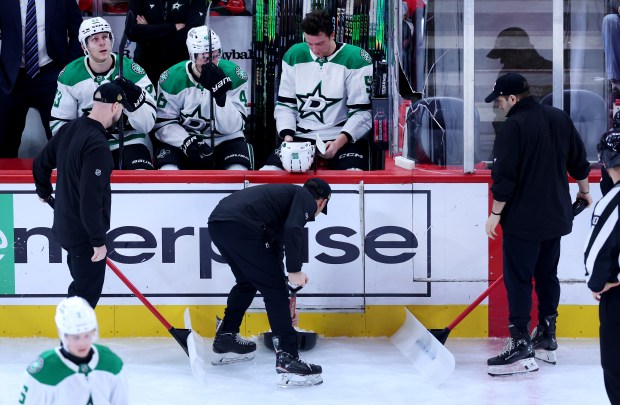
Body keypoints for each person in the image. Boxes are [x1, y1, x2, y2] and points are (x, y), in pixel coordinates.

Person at [483, 73, 592, 376]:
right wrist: (584, 191)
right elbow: (579, 160)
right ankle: (546, 334)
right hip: (556, 217)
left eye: (501, 100)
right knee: (546, 275)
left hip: (523, 221)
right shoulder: (558, 117)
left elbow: (505, 178)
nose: (500, 106)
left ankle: (520, 342)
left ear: (513, 98)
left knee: (518, 279)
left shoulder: (513, 127)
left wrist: (495, 213)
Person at [207, 178, 330, 387]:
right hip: (241, 226)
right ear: (322, 202)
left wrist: (286, 290)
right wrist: (294, 270)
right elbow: (293, 229)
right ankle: (289, 359)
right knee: (274, 291)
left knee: (247, 281)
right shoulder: (305, 198)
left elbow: (274, 252)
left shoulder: (281, 202)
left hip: (220, 223)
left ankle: (227, 336)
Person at [33, 82, 129, 309]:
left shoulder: (69, 129)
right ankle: (69, 344)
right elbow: (90, 198)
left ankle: (72, 342)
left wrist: (44, 192)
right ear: (116, 107)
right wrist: (97, 241)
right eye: (123, 109)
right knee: (83, 300)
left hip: (66, 227)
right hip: (84, 235)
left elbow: (40, 164)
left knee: (81, 291)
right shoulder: (98, 145)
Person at [261, 9, 373, 171]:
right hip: (299, 136)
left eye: (320, 43)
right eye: (309, 43)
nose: (315, 50)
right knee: (268, 173)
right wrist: (288, 139)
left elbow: (362, 113)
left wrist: (338, 143)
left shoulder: (356, 59)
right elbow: (285, 105)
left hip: (341, 137)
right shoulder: (294, 54)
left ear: (332, 35)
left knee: (353, 177)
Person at [51, 16, 157, 170]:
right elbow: (59, 125)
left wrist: (135, 100)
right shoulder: (69, 76)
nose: (102, 42)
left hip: (131, 142)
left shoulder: (132, 71)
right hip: (89, 145)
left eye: (105, 37)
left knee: (141, 178)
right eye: (94, 39)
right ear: (83, 46)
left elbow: (147, 125)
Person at [153, 26, 252, 170]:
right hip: (186, 138)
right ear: (192, 55)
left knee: (238, 170)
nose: (211, 62)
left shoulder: (235, 75)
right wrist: (187, 142)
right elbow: (163, 124)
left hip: (226, 139)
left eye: (216, 55)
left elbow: (233, 127)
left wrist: (221, 98)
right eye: (205, 57)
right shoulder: (171, 78)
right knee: (168, 170)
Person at [0, 0, 82, 158]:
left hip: (52, 75)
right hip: (12, 78)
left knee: (62, 141)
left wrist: (68, 70)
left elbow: (77, 31)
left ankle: (65, 180)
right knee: (5, 143)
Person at [18, 296, 128, 404]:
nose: (83, 343)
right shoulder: (42, 373)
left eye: (87, 335)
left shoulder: (112, 364)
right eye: (76, 337)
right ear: (63, 335)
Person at [584, 131, 620, 405]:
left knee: (616, 366)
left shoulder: (612, 201)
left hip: (617, 297)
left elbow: (597, 252)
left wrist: (601, 281)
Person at [126, 0, 207, 88]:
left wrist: (149, 31)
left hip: (179, 67)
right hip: (146, 65)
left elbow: (191, 35)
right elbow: (132, 32)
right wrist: (173, 27)